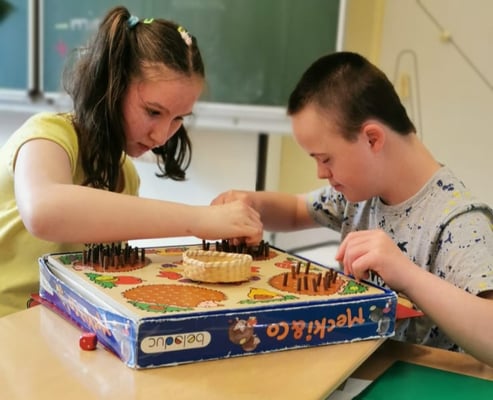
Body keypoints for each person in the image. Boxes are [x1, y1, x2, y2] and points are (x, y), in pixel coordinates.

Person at [212, 51, 493, 366]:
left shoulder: (459, 222)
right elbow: (295, 210)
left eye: (325, 159)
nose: (321, 173)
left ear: (372, 139)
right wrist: (252, 204)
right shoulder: (360, 195)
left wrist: (406, 275)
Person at [0, 6, 262, 317]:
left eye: (178, 118)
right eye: (153, 111)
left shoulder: (126, 175)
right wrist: (198, 219)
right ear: (112, 86)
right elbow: (44, 211)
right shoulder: (47, 136)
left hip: (59, 328)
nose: (162, 136)